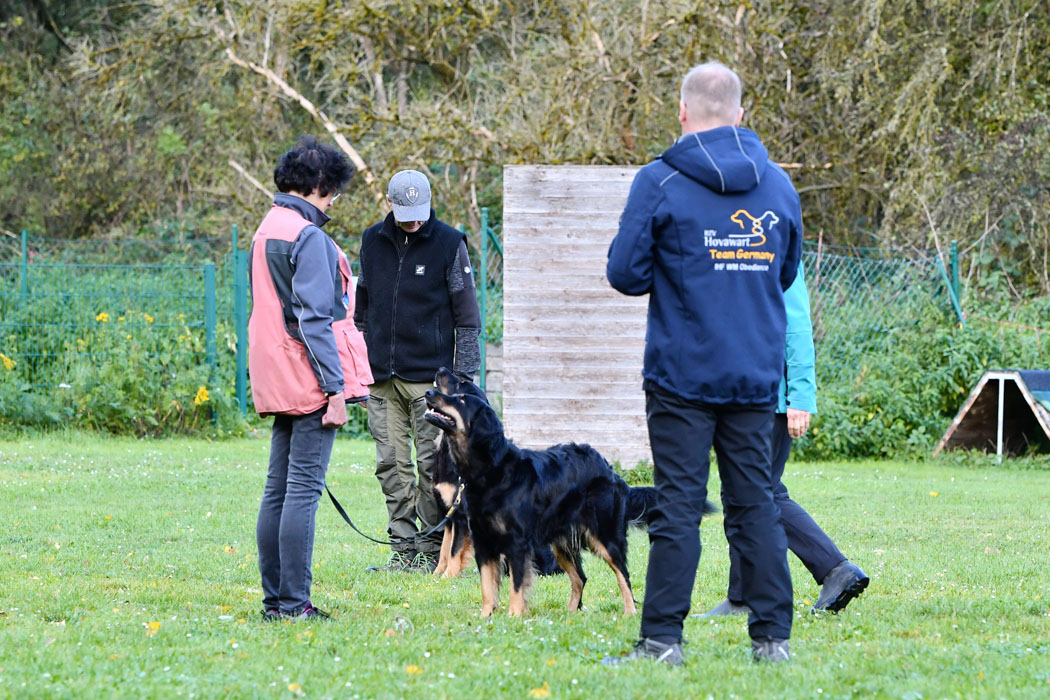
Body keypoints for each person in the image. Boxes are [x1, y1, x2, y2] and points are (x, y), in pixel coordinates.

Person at [602, 61, 802, 666]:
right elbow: (785, 273)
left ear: (683, 114)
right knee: (755, 504)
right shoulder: (778, 187)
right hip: (753, 375)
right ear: (741, 115)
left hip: (681, 377)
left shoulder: (659, 181)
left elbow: (624, 273)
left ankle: (662, 642)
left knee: (679, 507)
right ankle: (773, 641)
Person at [248, 135, 373, 621]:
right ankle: (295, 604)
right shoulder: (309, 237)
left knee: (277, 489)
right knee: (302, 491)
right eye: (333, 192)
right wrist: (335, 390)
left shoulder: (267, 228)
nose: (334, 202)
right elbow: (315, 320)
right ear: (319, 185)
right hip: (308, 376)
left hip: (275, 372)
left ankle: (275, 603)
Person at [700, 263, 870, 617]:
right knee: (747, 493)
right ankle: (744, 596)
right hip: (736, 398)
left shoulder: (778, 250)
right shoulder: (729, 250)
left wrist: (800, 397)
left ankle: (833, 570)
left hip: (768, 401)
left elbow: (796, 326)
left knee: (757, 493)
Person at [355, 169, 481, 573]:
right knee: (390, 464)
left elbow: (467, 318)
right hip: (381, 378)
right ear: (389, 203)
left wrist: (463, 380)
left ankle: (430, 552)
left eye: (419, 212)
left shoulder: (449, 243)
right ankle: (403, 548)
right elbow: (360, 312)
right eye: (404, 211)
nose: (413, 220)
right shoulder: (371, 242)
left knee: (432, 466)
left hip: (431, 383)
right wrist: (356, 367)